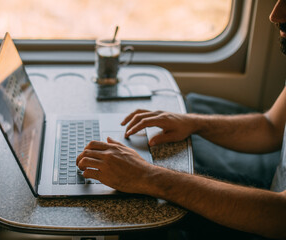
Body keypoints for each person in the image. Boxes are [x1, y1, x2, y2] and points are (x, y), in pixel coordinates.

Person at [76, 1, 286, 239]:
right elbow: (271, 127)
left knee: (139, 214)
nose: (274, 15)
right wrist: (193, 122)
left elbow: (280, 215)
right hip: (272, 190)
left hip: (272, 221)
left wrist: (147, 176)